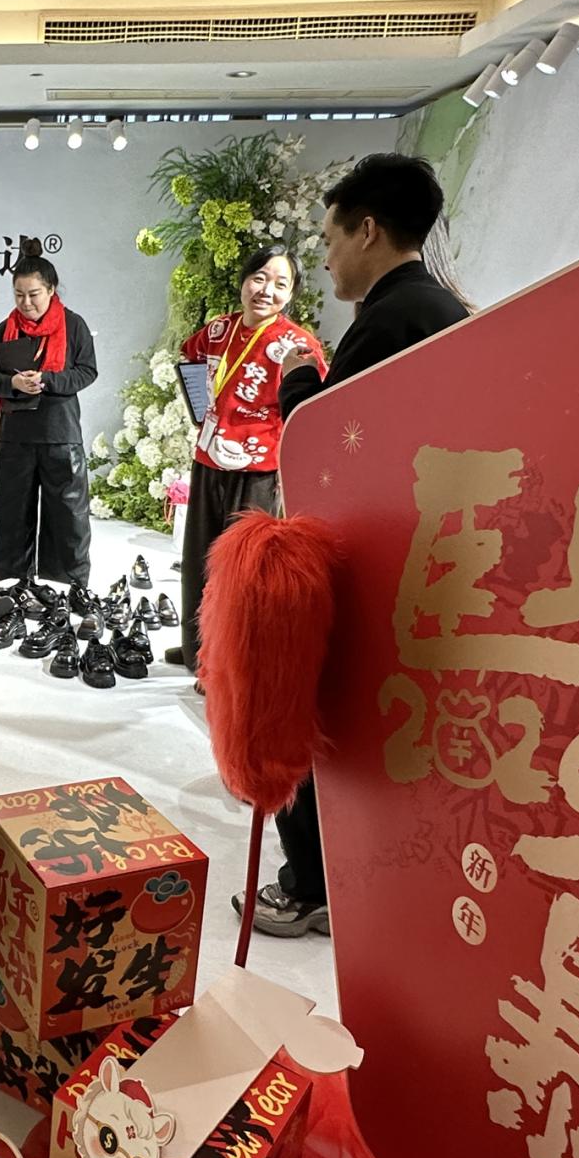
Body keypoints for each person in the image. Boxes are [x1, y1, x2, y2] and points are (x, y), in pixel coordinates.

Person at [252, 153, 470, 938]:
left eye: (329, 238)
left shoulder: (388, 320)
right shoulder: (444, 309)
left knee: (312, 710)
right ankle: (355, 880)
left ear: (368, 229)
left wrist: (295, 381)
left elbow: (329, 453)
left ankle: (311, 883)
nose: (325, 256)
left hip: (368, 559)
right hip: (423, 560)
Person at [169, 245, 325, 671]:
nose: (266, 290)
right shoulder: (219, 329)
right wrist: (201, 410)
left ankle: (223, 665)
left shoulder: (297, 345)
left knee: (239, 570)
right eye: (259, 278)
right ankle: (194, 647)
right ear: (244, 280)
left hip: (257, 468)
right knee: (198, 558)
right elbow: (189, 356)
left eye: (280, 284)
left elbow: (311, 404)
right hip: (208, 457)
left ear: (290, 294)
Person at [0, 255, 97, 597]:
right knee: (10, 511)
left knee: (68, 514)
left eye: (33, 294)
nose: (26, 302)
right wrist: (13, 384)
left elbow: (87, 371)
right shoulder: (6, 329)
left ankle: (67, 587)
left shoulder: (73, 325)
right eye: (19, 295)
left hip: (60, 433)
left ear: (51, 290)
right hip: (15, 435)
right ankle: (8, 584)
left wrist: (48, 380)